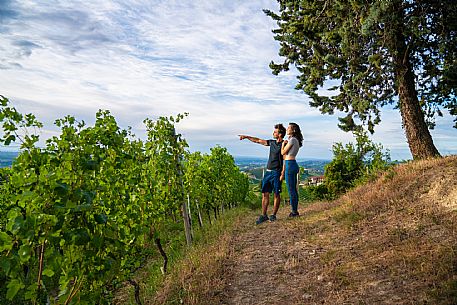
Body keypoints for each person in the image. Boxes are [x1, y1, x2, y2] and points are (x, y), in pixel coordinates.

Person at [239, 124, 286, 224]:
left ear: (280, 134)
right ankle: (264, 215)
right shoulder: (271, 142)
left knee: (277, 194)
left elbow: (285, 159)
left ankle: (273, 215)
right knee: (265, 194)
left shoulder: (284, 144)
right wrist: (247, 137)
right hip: (268, 172)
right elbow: (258, 140)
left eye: (275, 132)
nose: (273, 133)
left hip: (277, 172)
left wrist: (283, 172)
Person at [281, 122, 303, 217]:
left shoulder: (292, 140)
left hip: (290, 165)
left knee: (291, 190)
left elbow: (283, 152)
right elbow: (285, 156)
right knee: (293, 189)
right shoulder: (294, 140)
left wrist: (283, 144)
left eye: (288, 128)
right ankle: (294, 210)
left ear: (293, 130)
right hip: (292, 164)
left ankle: (294, 212)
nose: (287, 129)